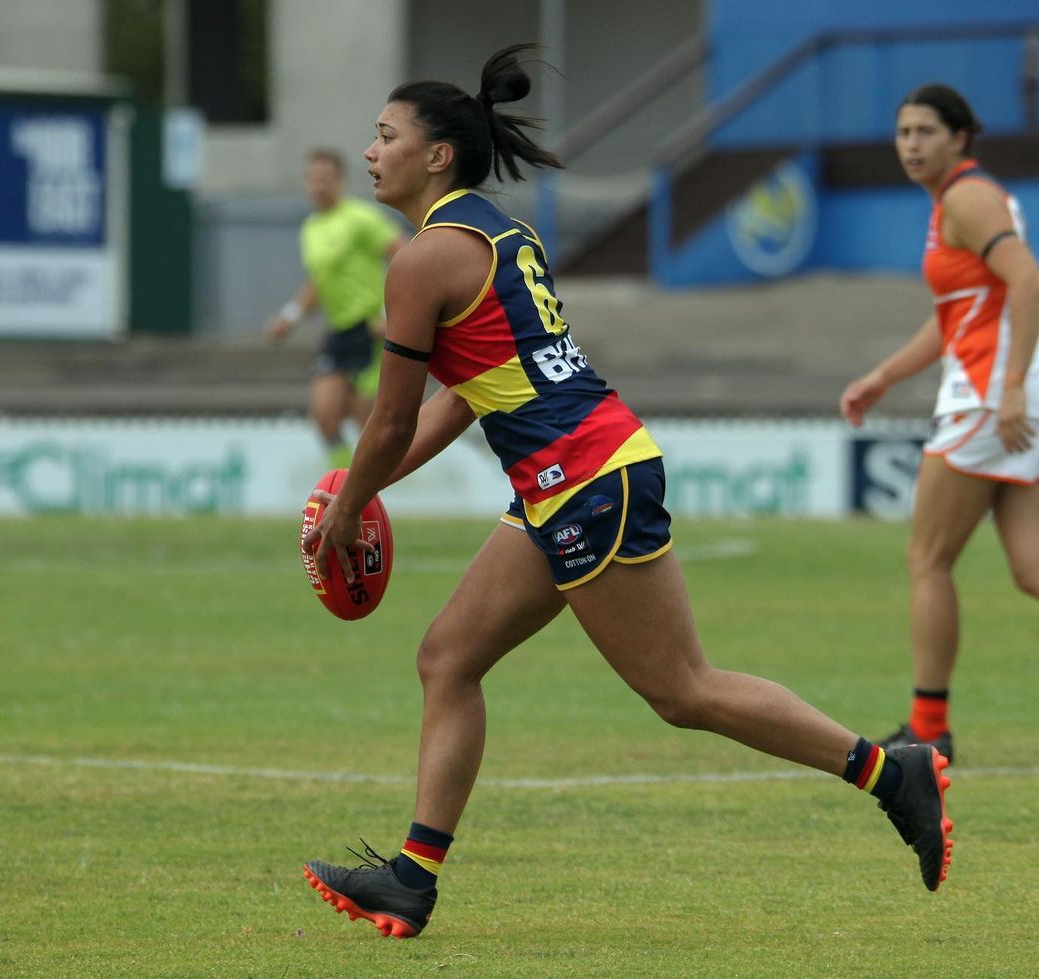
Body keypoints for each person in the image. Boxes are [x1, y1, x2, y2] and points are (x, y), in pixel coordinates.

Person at [301, 45, 955, 940]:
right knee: (448, 658)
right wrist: (356, 491)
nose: (370, 152)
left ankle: (890, 771)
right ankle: (412, 879)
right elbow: (461, 398)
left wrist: (349, 506)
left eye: (385, 136)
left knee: (683, 690)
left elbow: (385, 423)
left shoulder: (423, 262)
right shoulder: (500, 235)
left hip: (583, 475)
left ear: (438, 155)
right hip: (568, 476)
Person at [840, 84, 1039, 763]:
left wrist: (1010, 387)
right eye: (903, 132)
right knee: (1031, 569)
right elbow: (956, 314)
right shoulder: (959, 199)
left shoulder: (966, 198)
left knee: (927, 559)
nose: (911, 144)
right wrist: (884, 376)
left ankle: (928, 726)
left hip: (986, 398)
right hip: (998, 395)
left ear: (960, 137)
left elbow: (1028, 279)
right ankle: (930, 725)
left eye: (925, 131)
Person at [266, 148, 406, 470]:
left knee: (368, 423)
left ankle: (377, 487)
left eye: (326, 178)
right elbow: (319, 282)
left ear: (340, 181)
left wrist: (390, 316)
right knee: (324, 415)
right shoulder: (311, 227)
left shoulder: (360, 218)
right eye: (313, 179)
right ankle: (344, 482)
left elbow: (407, 255)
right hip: (340, 331)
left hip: (370, 331)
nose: (318, 185)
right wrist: (289, 317)